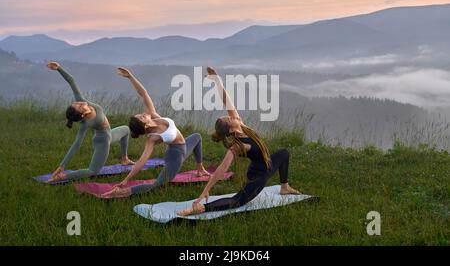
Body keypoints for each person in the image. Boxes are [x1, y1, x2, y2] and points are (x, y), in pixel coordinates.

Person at [178, 67, 301, 216]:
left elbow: (226, 101)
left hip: (268, 163)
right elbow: (221, 170)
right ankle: (200, 208)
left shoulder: (240, 125)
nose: (232, 115)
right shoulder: (238, 146)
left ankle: (284, 187)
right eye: (229, 118)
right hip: (259, 176)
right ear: (230, 129)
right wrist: (206, 190)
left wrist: (217, 80)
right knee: (237, 201)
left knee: (284, 153)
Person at [101, 67, 210, 198]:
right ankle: (121, 192)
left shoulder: (154, 116)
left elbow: (143, 93)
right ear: (145, 125)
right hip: (175, 156)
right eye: (141, 117)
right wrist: (126, 180)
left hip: (184, 146)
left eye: (140, 114)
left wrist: (131, 77)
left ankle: (200, 169)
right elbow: (141, 161)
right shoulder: (153, 138)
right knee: (159, 183)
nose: (143, 113)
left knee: (197, 136)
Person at [46, 62, 133, 183]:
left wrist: (59, 68)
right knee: (93, 171)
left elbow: (72, 81)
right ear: (82, 115)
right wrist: (62, 166)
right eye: (80, 106)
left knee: (126, 130)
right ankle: (62, 177)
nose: (81, 103)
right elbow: (76, 145)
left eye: (77, 103)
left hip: (109, 134)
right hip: (103, 141)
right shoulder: (86, 123)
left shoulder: (82, 101)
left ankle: (124, 159)